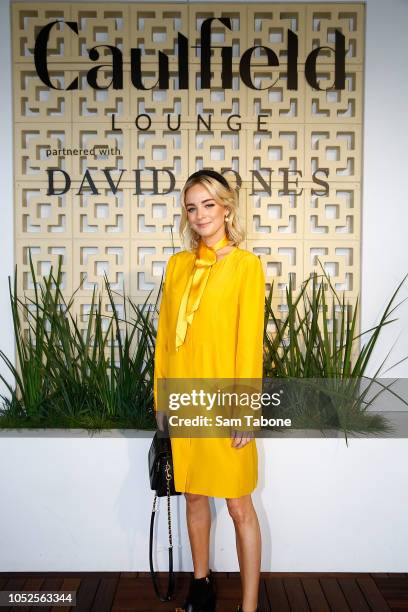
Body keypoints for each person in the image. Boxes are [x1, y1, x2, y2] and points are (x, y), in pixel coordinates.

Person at [153, 169, 265, 612]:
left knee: (239, 507)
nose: (199, 215)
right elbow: (164, 337)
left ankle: (250, 605)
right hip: (184, 400)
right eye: (191, 207)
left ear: (226, 208)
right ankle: (201, 586)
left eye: (207, 205)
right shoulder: (177, 265)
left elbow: (248, 340)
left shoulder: (246, 266)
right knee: (195, 495)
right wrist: (162, 401)